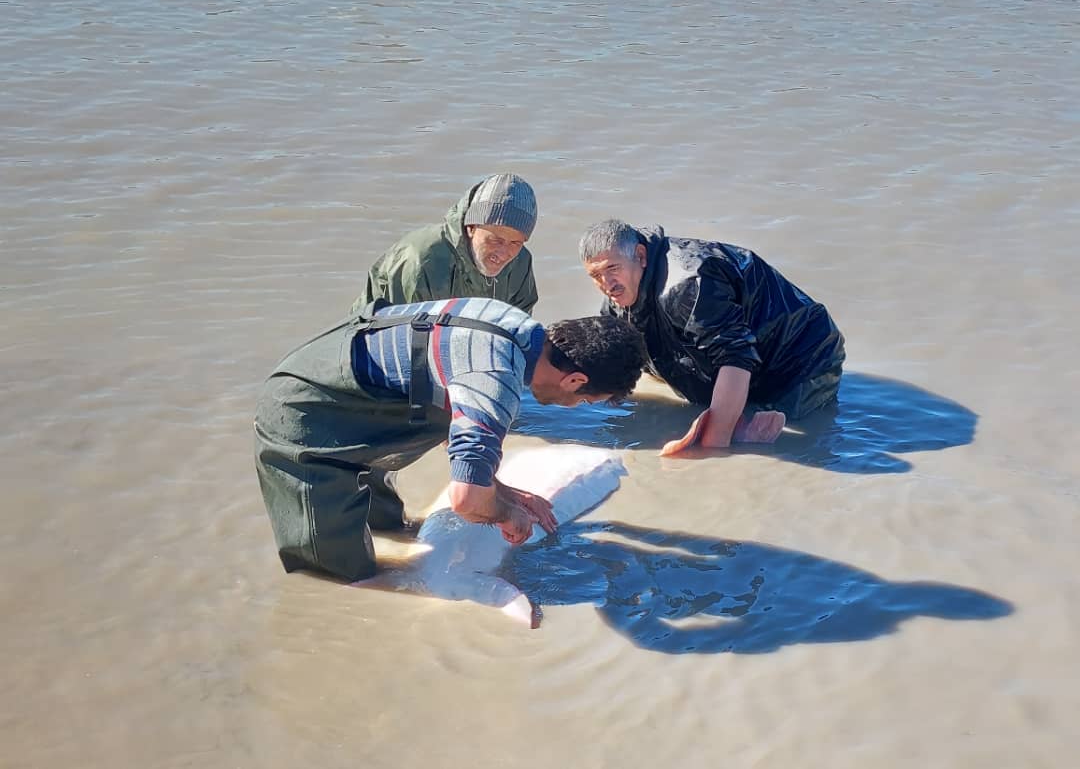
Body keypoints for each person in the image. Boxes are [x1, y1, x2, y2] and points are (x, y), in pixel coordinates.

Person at [254, 297, 646, 582]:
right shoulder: (496, 381)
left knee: (389, 523)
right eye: (585, 401)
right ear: (575, 379)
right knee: (342, 578)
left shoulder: (510, 323)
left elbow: (454, 411)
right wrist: (508, 514)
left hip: (353, 384)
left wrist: (502, 490)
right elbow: (466, 501)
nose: (575, 408)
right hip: (304, 415)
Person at [579, 219, 846, 453]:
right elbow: (614, 355)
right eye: (595, 275)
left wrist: (714, 448)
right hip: (738, 348)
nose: (606, 283)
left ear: (640, 256)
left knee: (795, 435)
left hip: (801, 357)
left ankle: (739, 423)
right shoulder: (617, 295)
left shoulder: (688, 283)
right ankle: (732, 413)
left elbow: (736, 356)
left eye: (612, 268)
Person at [351, 173, 540, 316]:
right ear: (471, 228)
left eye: (515, 242)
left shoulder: (520, 262)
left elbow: (519, 329)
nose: (503, 253)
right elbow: (397, 337)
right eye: (495, 239)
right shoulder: (420, 260)